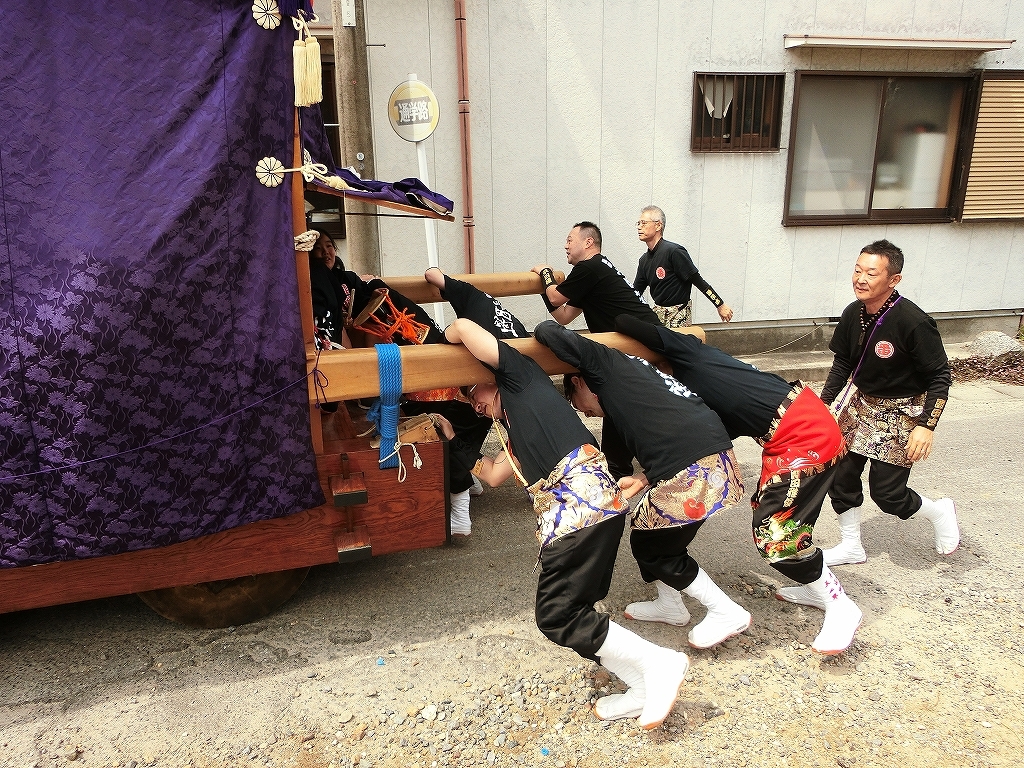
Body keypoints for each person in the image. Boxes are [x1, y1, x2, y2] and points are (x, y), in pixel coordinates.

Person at [445, 318, 689, 730]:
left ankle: (659, 663)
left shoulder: (521, 379)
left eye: (472, 391)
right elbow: (491, 475)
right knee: (575, 612)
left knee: (557, 615)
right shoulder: (515, 426)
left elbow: (466, 326)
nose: (472, 403)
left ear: (491, 376)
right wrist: (452, 439)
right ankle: (640, 686)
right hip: (589, 514)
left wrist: (446, 335)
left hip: (582, 513)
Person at [615, 314, 861, 656]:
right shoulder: (687, 392)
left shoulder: (689, 354)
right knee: (776, 516)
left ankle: (840, 604)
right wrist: (645, 477)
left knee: (775, 533)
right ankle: (811, 585)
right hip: (793, 432)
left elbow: (630, 321)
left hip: (804, 435)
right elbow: (706, 437)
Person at [535, 320, 749, 676]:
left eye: (577, 403)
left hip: (698, 465)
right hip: (707, 457)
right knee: (648, 529)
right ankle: (670, 604)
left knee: (656, 548)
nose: (585, 413)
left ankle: (725, 610)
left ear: (579, 381)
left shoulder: (605, 365)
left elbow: (549, 330)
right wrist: (641, 478)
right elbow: (619, 460)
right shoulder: (622, 394)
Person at [817, 239, 958, 565]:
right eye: (857, 270)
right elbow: (843, 363)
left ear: (893, 280)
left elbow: (940, 376)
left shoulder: (913, 321)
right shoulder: (853, 312)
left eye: (871, 273)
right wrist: (825, 404)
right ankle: (851, 545)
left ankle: (939, 511)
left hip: (902, 410)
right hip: (861, 405)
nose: (860, 279)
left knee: (888, 494)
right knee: (840, 474)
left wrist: (927, 426)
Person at [406, 268, 531, 536]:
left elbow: (435, 279)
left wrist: (444, 342)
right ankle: (529, 480)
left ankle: (462, 503)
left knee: (455, 427)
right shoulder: (495, 311)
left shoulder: (469, 299)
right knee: (471, 424)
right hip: (509, 382)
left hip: (497, 384)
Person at [531, 222, 660, 480]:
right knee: (622, 405)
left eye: (570, 240)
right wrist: (547, 287)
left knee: (623, 405)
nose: (566, 245)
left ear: (588, 242)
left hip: (640, 347)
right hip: (638, 346)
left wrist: (545, 273)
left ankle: (618, 470)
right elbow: (563, 315)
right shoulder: (594, 271)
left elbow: (556, 297)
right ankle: (618, 469)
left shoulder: (590, 267)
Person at [633, 206, 732, 328]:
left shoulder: (674, 252)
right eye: (638, 223)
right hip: (659, 317)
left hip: (679, 317)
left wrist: (720, 304)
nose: (639, 227)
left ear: (658, 225)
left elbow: (698, 280)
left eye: (644, 223)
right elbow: (635, 293)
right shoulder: (644, 260)